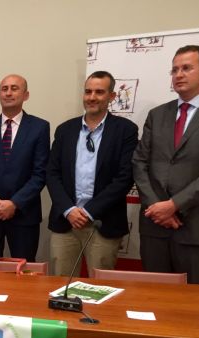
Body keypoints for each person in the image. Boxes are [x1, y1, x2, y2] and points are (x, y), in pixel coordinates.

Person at [133, 45, 199, 284]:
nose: (178, 75)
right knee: (154, 301)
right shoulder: (157, 114)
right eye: (174, 70)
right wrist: (156, 207)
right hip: (155, 228)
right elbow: (140, 162)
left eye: (186, 68)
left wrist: (174, 205)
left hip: (197, 229)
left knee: (192, 309)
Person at [46, 71, 138, 276]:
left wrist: (88, 212)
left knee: (101, 287)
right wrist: (69, 210)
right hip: (65, 223)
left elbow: (125, 177)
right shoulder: (65, 130)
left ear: (112, 96)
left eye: (99, 92)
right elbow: (52, 173)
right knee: (61, 285)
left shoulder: (126, 130)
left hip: (102, 223)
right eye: (88, 91)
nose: (92, 97)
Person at [0, 74, 50, 261]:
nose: (8, 93)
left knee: (24, 273)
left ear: (26, 95)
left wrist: (14, 203)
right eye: (4, 89)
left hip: (24, 214)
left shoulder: (40, 127)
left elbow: (40, 174)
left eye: (14, 88)